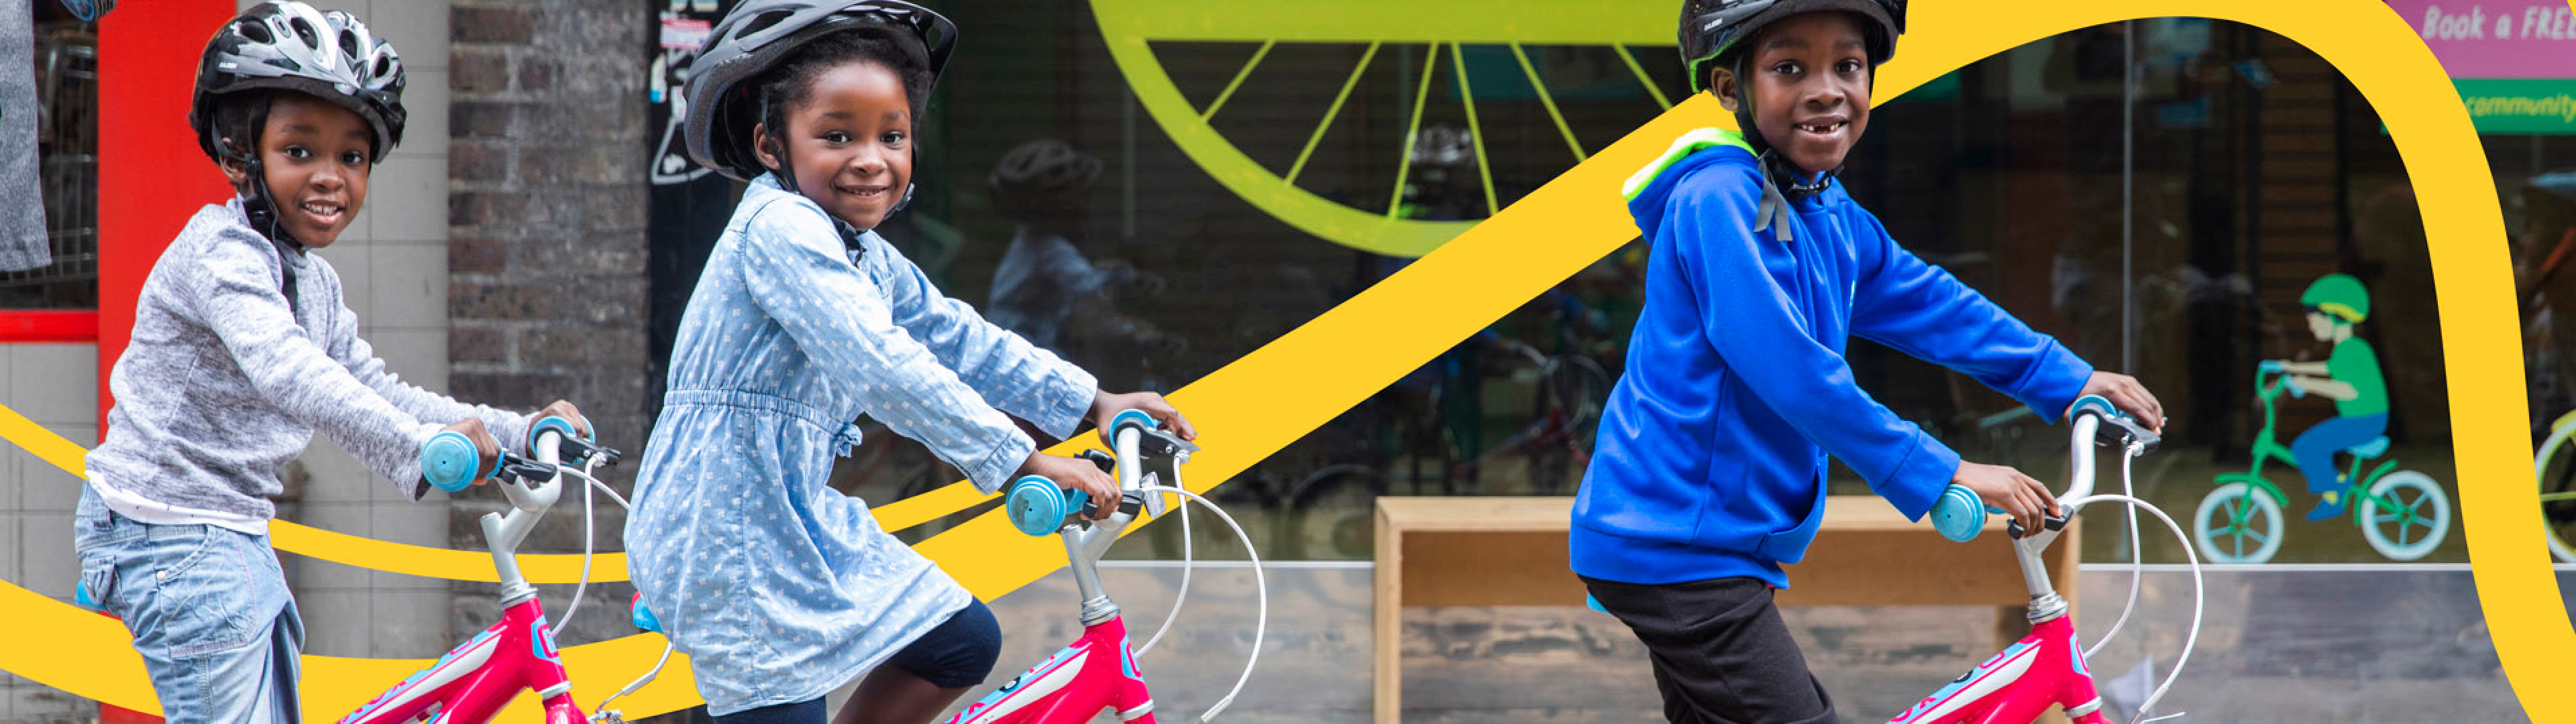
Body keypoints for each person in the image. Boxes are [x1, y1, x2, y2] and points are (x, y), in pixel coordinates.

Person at [1570, 2, 2165, 723]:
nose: (1827, 89)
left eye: (1848, 66)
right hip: (1677, 544)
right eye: (1790, 68)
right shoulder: (1720, 198)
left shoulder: (1821, 206)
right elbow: (1790, 369)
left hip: (1710, 542)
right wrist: (1944, 468)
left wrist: (2065, 379)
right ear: (1731, 88)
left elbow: (1925, 301)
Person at [629, 4, 1196, 724]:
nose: (872, 158)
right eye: (838, 135)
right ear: (773, 147)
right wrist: (1020, 462)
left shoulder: (859, 250)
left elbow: (956, 336)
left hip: (793, 520)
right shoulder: (781, 228)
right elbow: (881, 362)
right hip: (728, 533)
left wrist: (1093, 401)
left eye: (892, 136)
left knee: (959, 643)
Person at [71, 5, 582, 723]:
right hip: (170, 532)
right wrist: (420, 450)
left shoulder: (311, 280)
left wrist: (519, 433)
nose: (330, 177)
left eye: (352, 156)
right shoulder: (223, 253)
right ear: (240, 153)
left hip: (232, 531)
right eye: (299, 150)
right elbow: (287, 370)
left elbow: (372, 386)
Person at [2279, 273, 2388, 520]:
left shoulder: (2353, 350)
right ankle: (2334, 491)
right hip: (2361, 419)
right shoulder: (2346, 350)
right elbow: (2330, 368)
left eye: (2314, 319)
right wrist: (2293, 367)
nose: (2310, 325)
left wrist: (2306, 383)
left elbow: (2347, 390)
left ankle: (2336, 490)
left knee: (2306, 447)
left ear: (2334, 315)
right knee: (2310, 446)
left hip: (2365, 421)